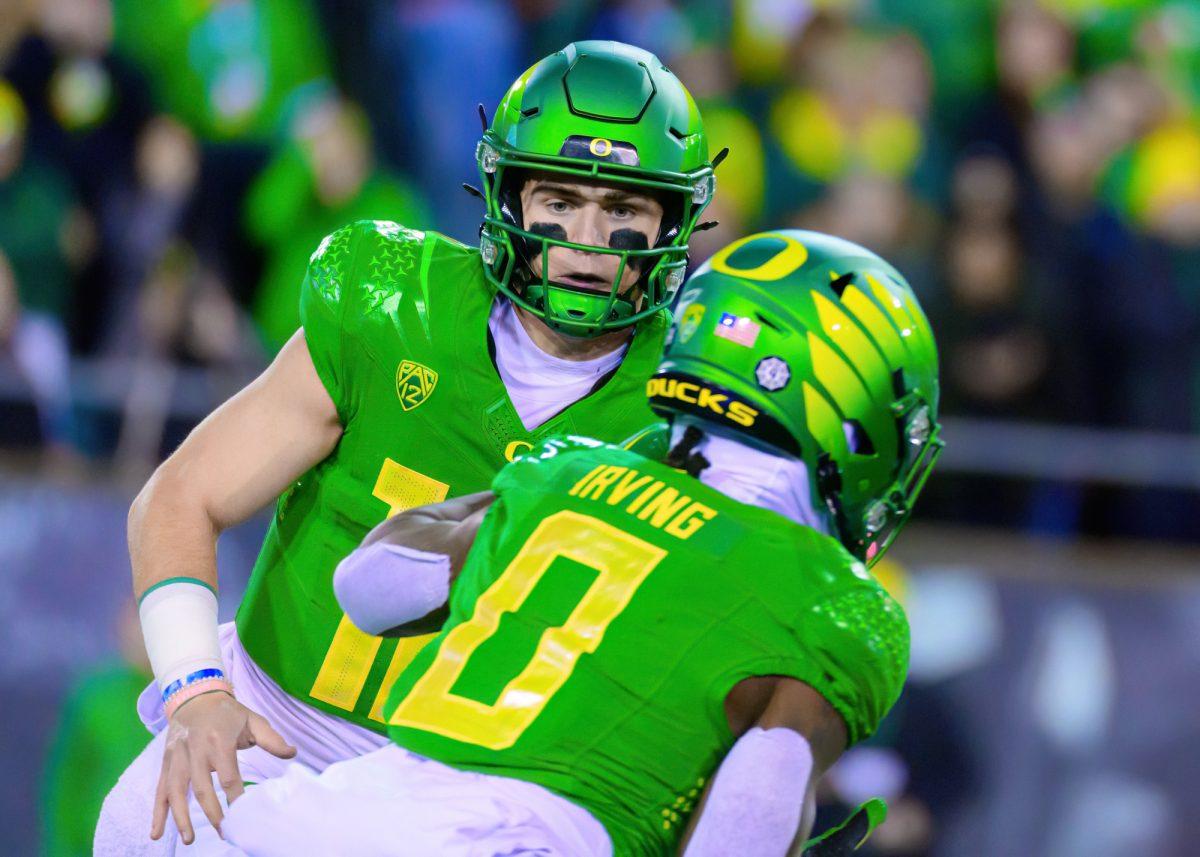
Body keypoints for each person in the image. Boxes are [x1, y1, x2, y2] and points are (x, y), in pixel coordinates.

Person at [95, 40, 718, 854]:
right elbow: (178, 499)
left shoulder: (686, 410)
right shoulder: (390, 301)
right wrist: (192, 695)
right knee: (139, 829)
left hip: (472, 793)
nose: (587, 239)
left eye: (624, 210)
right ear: (509, 196)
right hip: (270, 722)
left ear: (672, 221)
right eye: (560, 199)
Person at [218, 229, 944, 856]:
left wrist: (521, 497)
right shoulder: (837, 601)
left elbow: (370, 588)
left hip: (327, 815)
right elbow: (765, 778)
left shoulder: (570, 472)